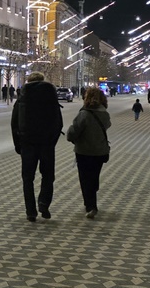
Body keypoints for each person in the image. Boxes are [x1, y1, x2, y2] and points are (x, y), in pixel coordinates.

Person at [10, 72, 63, 222]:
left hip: (27, 142)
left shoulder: (22, 99)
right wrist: (52, 140)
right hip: (46, 143)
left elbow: (14, 124)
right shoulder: (50, 96)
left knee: (28, 178)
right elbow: (58, 122)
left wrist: (18, 144)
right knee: (48, 175)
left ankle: (30, 211)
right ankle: (44, 202)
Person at [66, 88, 111, 219]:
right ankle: (92, 197)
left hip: (84, 151)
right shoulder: (104, 113)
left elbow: (74, 131)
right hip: (100, 150)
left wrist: (70, 134)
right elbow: (107, 125)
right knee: (94, 176)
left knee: (85, 179)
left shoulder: (84, 114)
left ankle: (90, 206)